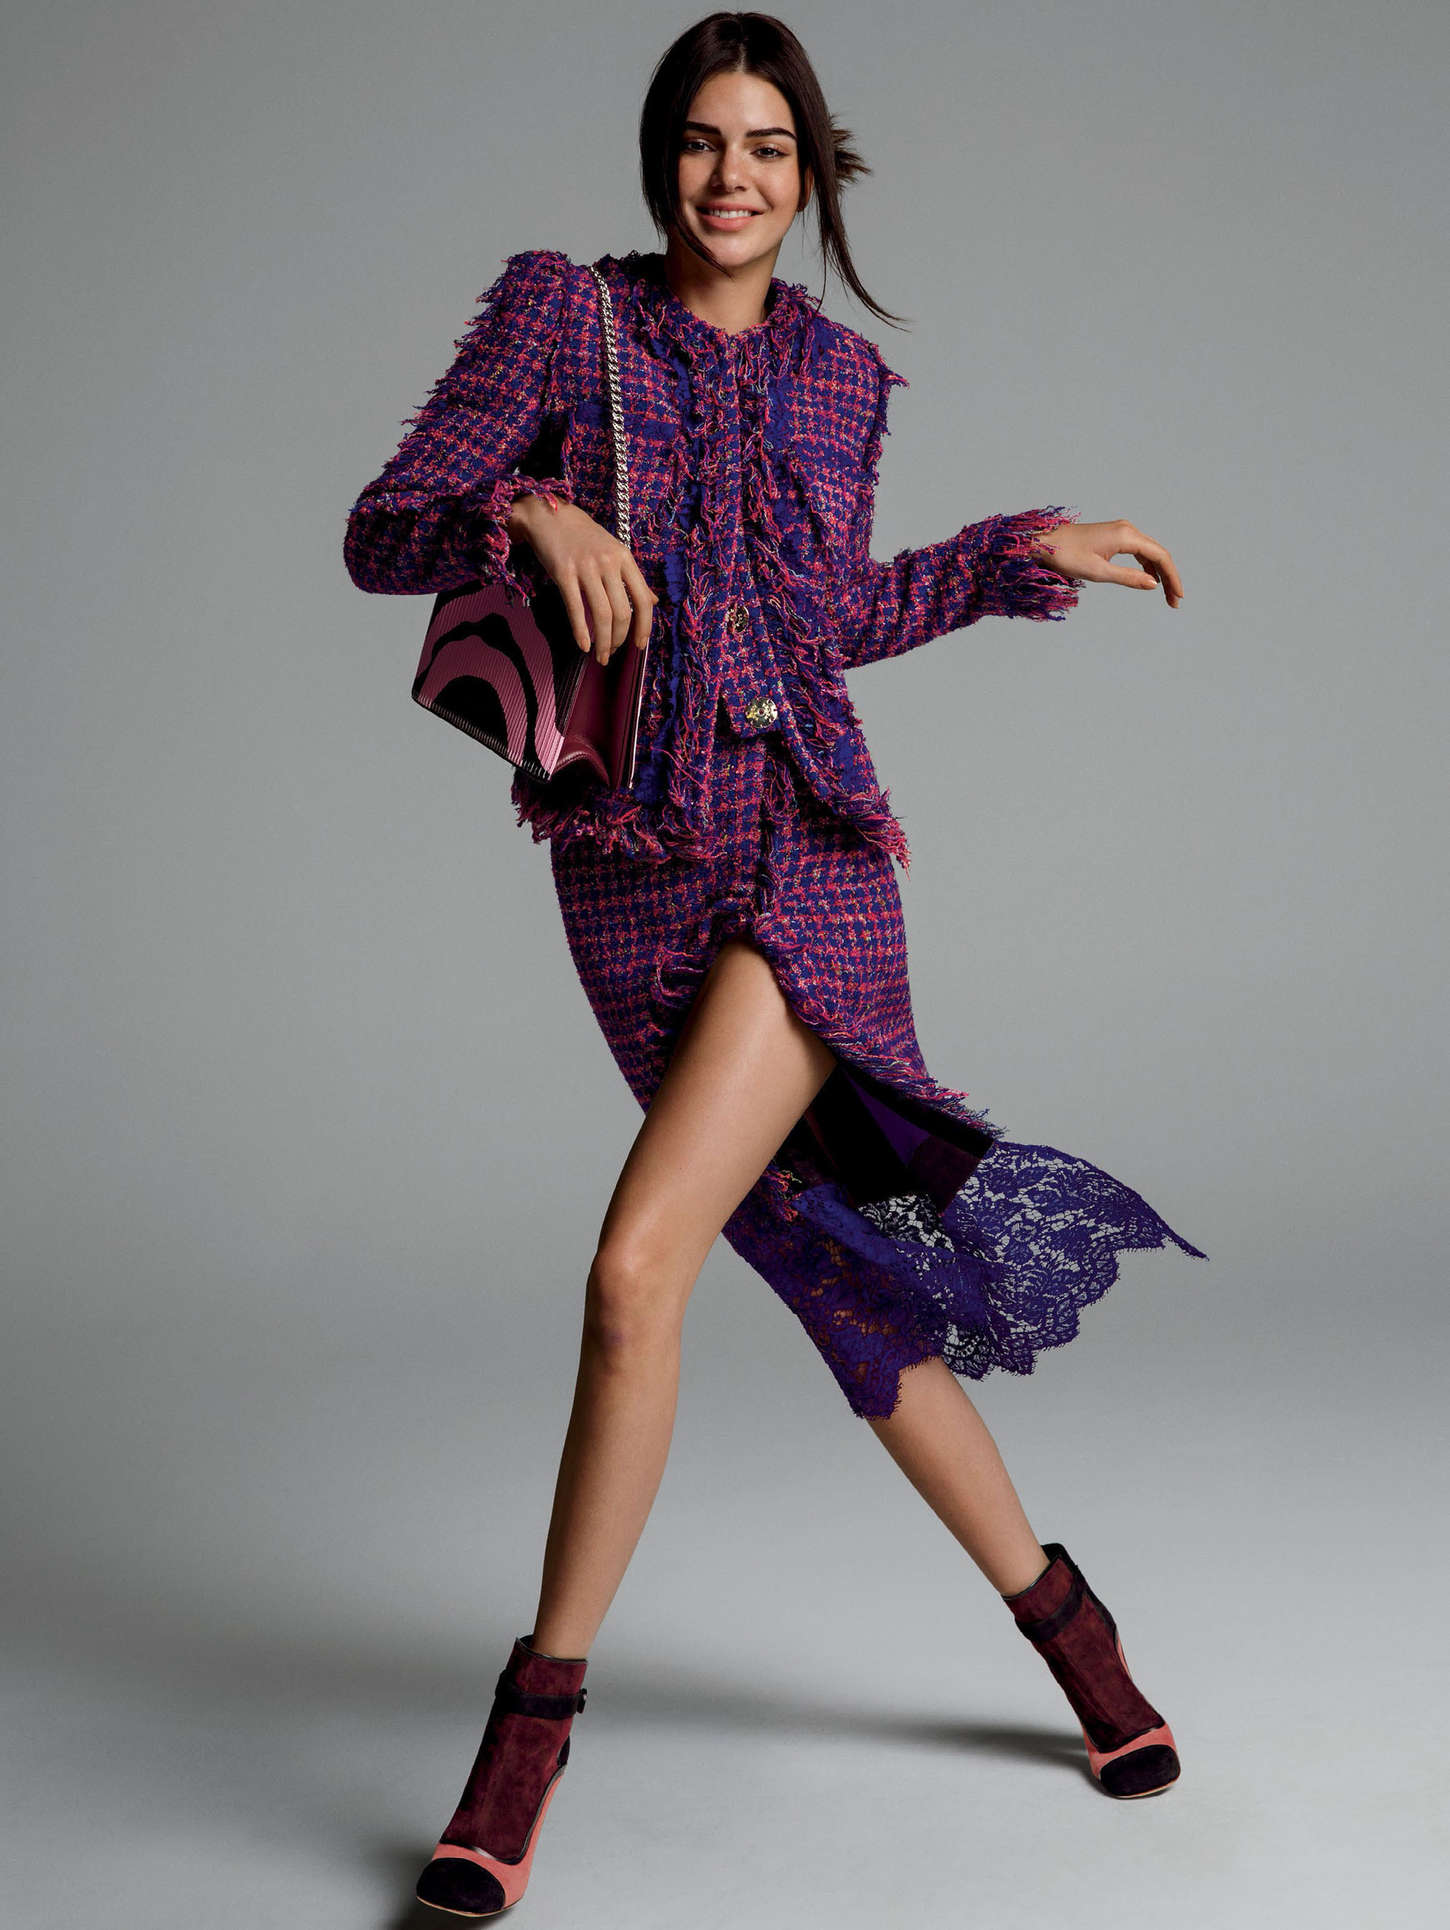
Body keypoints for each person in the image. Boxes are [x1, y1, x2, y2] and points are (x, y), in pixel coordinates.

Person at [344, 11, 1206, 1918]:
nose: (729, 178)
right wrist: (531, 503)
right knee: (841, 1290)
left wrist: (1014, 550)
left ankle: (530, 1726)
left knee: (629, 1273)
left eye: (766, 148)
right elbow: (381, 532)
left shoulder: (836, 377)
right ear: (659, 156)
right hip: (634, 882)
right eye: (700, 142)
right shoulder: (562, 319)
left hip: (810, 856)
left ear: (810, 173)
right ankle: (1073, 1634)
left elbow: (824, 620)